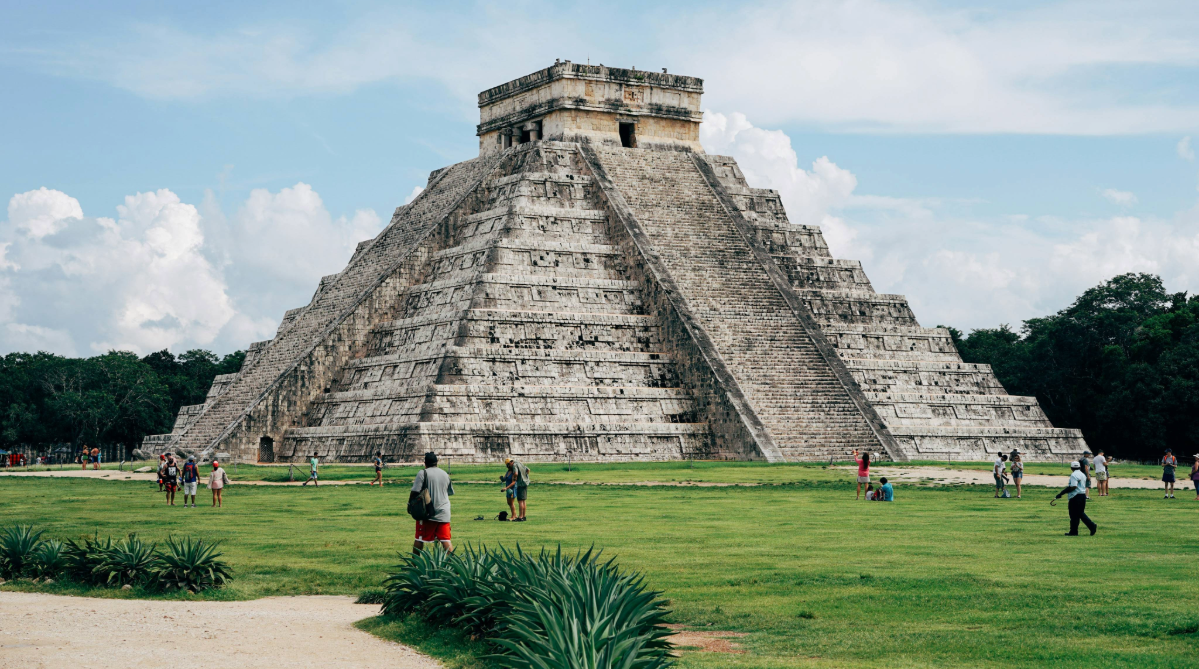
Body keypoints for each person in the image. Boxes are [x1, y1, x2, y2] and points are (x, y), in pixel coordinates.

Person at [411, 452, 454, 553]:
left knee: (419, 538)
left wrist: (411, 505)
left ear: (425, 463)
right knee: (445, 540)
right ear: (437, 462)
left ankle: (415, 562)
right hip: (444, 512)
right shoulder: (445, 474)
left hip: (428, 512)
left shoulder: (422, 473)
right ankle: (453, 562)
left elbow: (415, 492)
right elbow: (449, 492)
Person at [1055, 461, 1097, 536]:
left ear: (1071, 468)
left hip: (1075, 496)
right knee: (1077, 514)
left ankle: (1091, 525)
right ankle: (1074, 531)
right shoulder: (1082, 474)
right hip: (1082, 495)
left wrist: (1062, 493)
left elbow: (1074, 486)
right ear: (1079, 467)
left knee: (1075, 514)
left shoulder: (1073, 475)